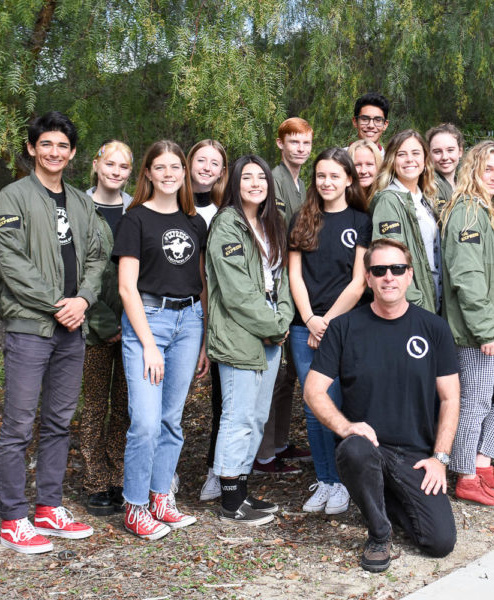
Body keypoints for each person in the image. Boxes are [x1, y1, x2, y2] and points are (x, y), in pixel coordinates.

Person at [304, 238, 460, 573]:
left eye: (397, 269)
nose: (389, 276)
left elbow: (450, 397)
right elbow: (313, 391)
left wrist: (440, 459)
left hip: (416, 457)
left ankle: (384, 497)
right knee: (353, 450)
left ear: (410, 275)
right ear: (369, 278)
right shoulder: (344, 328)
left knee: (439, 542)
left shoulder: (433, 328)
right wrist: (346, 428)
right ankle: (379, 532)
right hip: (369, 447)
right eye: (379, 270)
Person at [0, 111, 106, 554]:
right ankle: (13, 518)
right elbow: (12, 262)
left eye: (62, 145)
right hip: (31, 325)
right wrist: (58, 304)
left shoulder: (80, 201)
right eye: (46, 144)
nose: (54, 152)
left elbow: (97, 257)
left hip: (72, 327)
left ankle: (49, 508)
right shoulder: (12, 197)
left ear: (73, 153)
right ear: (31, 148)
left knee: (59, 421)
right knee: (19, 424)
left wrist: (83, 300)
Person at [113, 140, 210, 540]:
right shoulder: (135, 219)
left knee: (172, 420)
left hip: (189, 320)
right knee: (146, 422)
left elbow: (202, 282)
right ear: (148, 174)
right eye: (161, 167)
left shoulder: (195, 223)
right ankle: (134, 506)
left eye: (176, 167)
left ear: (183, 174)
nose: (169, 174)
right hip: (148, 320)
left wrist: (203, 339)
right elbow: (125, 288)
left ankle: (160, 498)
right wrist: (149, 344)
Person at [205, 155, 293, 525]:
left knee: (257, 418)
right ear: (235, 183)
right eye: (247, 177)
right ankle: (229, 500)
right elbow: (237, 292)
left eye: (262, 177)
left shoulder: (270, 223)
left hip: (272, 332)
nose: (256, 183)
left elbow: (283, 278)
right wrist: (275, 325)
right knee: (238, 416)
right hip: (241, 335)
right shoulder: (227, 225)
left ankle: (241, 489)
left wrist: (284, 316)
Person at [440, 142, 494, 508]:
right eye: (487, 169)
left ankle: (482, 461)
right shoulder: (467, 214)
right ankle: (465, 477)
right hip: (478, 332)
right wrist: (485, 330)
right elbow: (468, 277)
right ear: (472, 170)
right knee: (474, 404)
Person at [288, 148, 371, 514]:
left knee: (334, 401)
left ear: (349, 179)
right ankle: (324, 480)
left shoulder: (360, 221)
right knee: (312, 404)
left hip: (343, 325)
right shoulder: (303, 218)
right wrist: (309, 319)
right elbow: (294, 274)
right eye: (321, 175)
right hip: (303, 327)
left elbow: (357, 282)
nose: (327, 182)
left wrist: (328, 323)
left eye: (335, 176)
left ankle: (341, 482)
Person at [254, 118, 315, 476]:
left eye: (305, 143)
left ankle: (278, 442)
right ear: (280, 144)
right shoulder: (273, 180)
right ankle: (263, 455)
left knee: (289, 375)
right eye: (293, 142)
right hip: (277, 284)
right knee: (275, 375)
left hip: (297, 283)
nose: (300, 149)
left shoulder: (300, 182)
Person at [80, 140, 134, 517]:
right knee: (96, 403)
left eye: (124, 166)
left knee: (126, 405)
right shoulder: (78, 207)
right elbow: (73, 268)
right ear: (96, 165)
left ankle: (118, 476)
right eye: (110, 164)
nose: (116, 171)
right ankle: (95, 481)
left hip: (132, 322)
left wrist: (127, 320)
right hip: (91, 324)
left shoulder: (135, 208)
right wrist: (101, 320)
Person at [185, 139, 230, 503]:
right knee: (171, 399)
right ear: (190, 163)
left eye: (214, 162)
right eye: (201, 159)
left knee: (222, 399)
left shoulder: (224, 211)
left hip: (217, 312)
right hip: (179, 311)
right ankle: (163, 473)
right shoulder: (174, 205)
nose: (206, 167)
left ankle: (217, 469)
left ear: (221, 171)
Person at [369, 130, 441, 313]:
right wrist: (416, 305)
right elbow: (391, 261)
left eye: (416, 153)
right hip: (413, 301)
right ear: (393, 162)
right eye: (402, 154)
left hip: (434, 292)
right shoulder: (389, 201)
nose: (410, 159)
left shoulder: (425, 199)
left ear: (425, 160)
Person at [425, 123, 465, 214]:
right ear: (429, 154)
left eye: (450, 150)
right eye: (437, 151)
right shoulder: (429, 184)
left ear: (460, 151)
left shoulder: (462, 183)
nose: (445, 157)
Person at [347, 139, 382, 207]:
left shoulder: (385, 198)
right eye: (357, 165)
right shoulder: (340, 200)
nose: (363, 171)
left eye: (369, 164)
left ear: (378, 166)